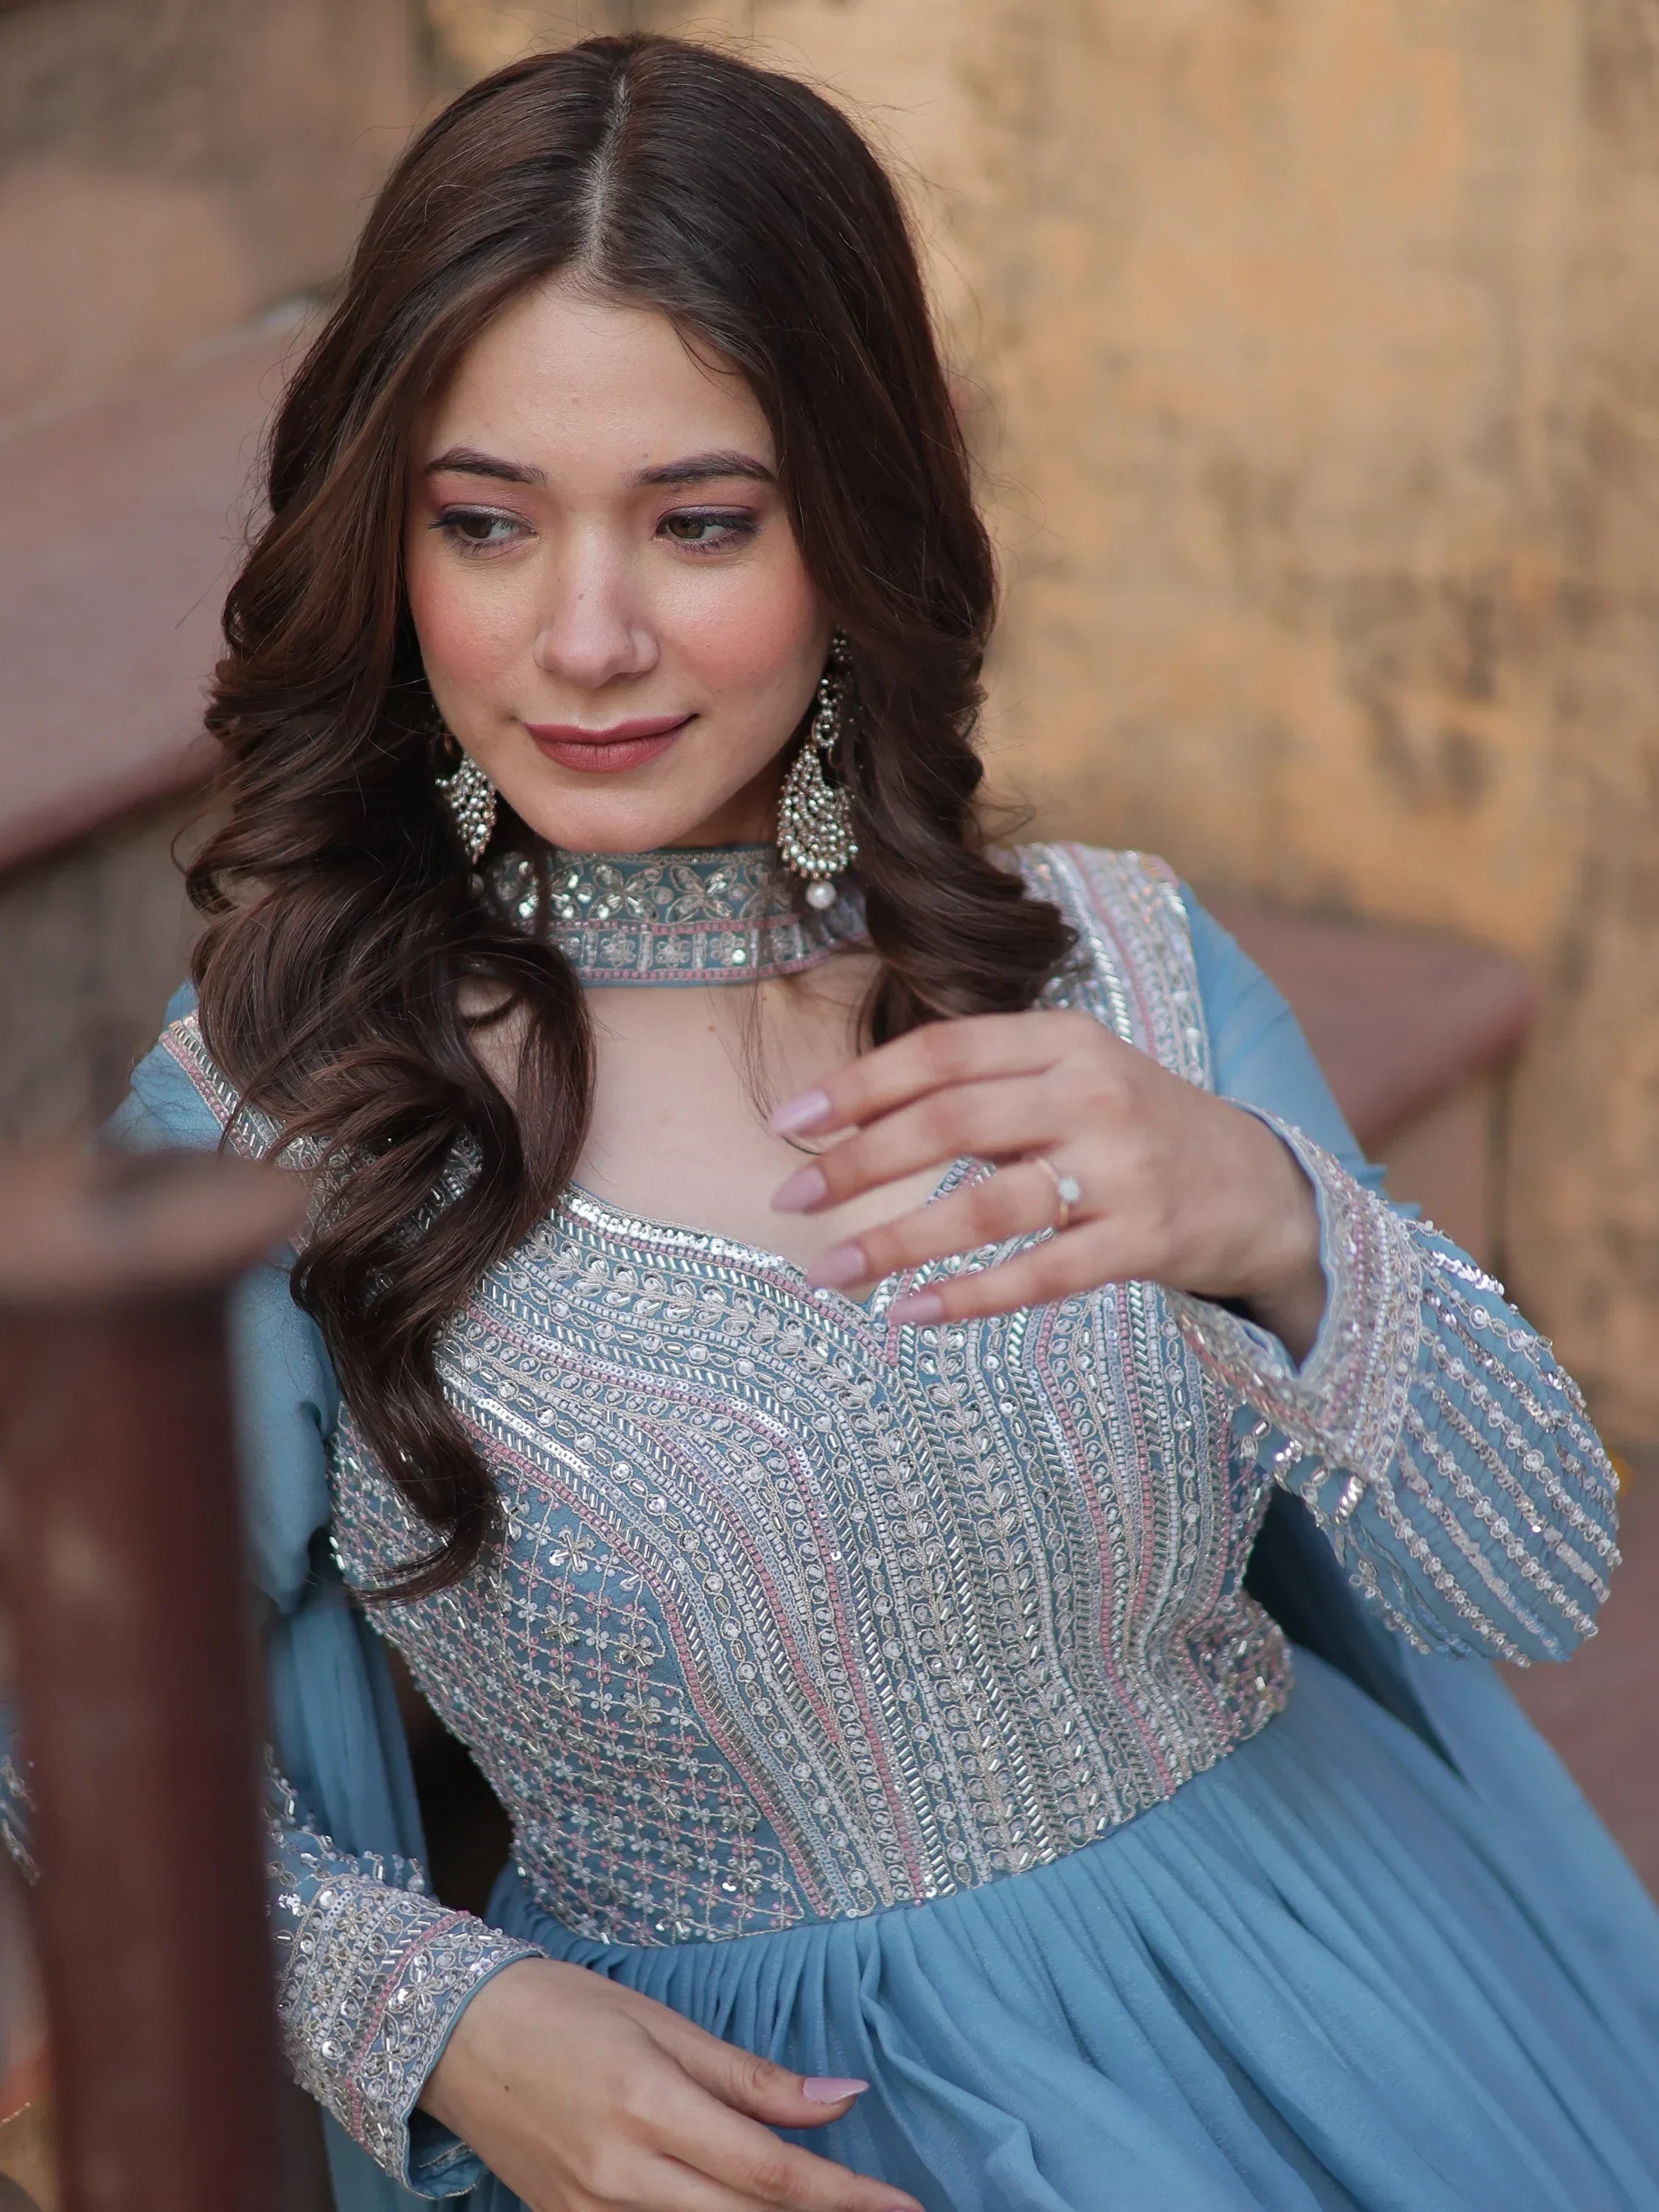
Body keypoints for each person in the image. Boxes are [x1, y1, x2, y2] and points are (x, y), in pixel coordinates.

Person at [6, 31, 1659, 2212]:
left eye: (700, 523)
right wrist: (439, 2016)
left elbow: (1534, 1579)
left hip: (1351, 2010)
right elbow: (61, 1719)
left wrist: (1277, 1222)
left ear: (853, 519)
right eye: (485, 524)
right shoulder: (296, 1110)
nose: (587, 638)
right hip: (766, 2136)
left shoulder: (1113, 969)